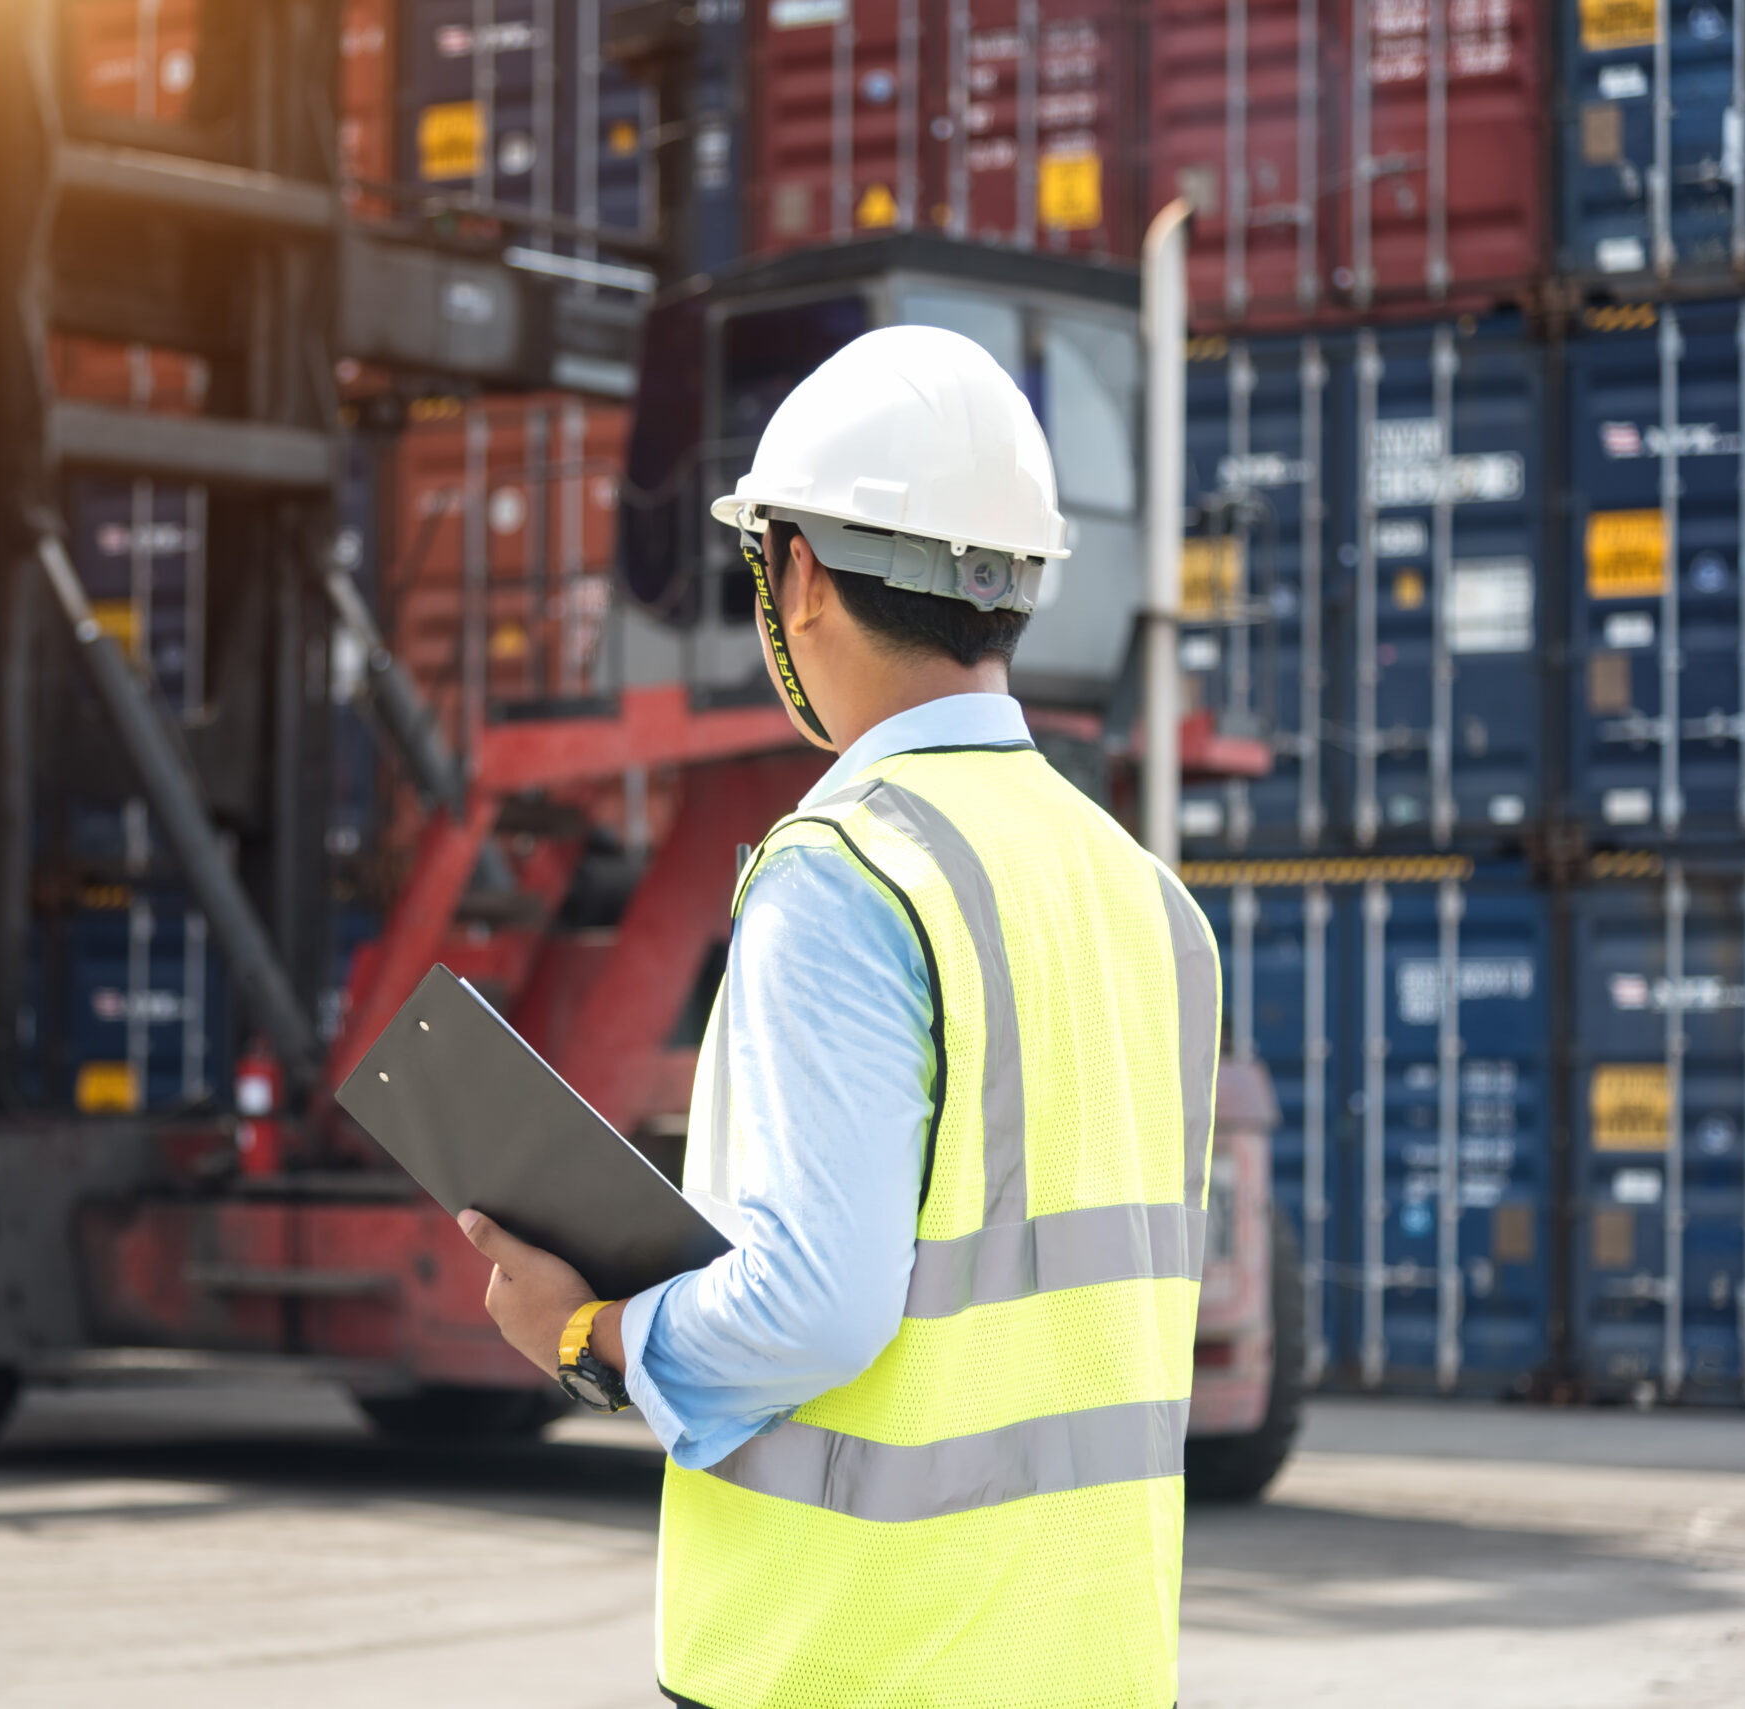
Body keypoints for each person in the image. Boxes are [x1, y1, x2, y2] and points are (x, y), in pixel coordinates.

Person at [456, 323, 1221, 1709]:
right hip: (1096, 1663)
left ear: (794, 574)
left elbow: (822, 1300)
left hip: (853, 1663)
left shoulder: (849, 871)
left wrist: (592, 1335)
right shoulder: (1150, 900)